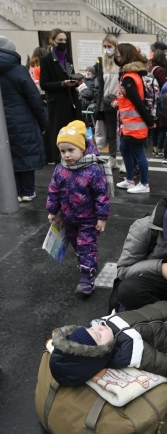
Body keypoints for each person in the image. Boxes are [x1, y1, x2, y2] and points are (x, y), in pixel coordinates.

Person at [49, 301, 167, 387]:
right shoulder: (125, 351)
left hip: (158, 311)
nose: (98, 329)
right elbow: (154, 360)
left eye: (91, 329)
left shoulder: (101, 326)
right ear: (99, 355)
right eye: (97, 337)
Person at [46, 120, 112, 295]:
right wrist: (52, 210)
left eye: (71, 150)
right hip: (68, 217)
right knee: (76, 243)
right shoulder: (60, 169)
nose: (67, 155)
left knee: (86, 245)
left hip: (88, 219)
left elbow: (101, 195)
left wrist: (102, 217)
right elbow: (53, 190)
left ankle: (87, 277)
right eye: (63, 151)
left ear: (82, 148)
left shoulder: (92, 169)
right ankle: (85, 260)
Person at [0, 36, 47, 202]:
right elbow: (34, 98)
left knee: (9, 154)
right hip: (23, 118)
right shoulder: (18, 69)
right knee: (26, 152)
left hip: (2, 121)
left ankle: (16, 192)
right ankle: (28, 191)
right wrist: (43, 122)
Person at [115, 43, 155, 194]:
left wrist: (149, 121)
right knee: (124, 148)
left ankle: (144, 184)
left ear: (125, 56)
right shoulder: (130, 75)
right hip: (130, 123)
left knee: (138, 152)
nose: (116, 57)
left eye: (118, 54)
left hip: (135, 123)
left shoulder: (129, 77)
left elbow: (138, 101)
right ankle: (130, 179)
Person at [40, 29, 82, 163]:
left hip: (71, 102)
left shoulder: (67, 57)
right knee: (60, 136)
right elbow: (44, 84)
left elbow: (71, 74)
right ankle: (60, 167)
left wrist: (76, 81)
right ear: (52, 41)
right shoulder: (46, 59)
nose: (63, 43)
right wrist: (62, 83)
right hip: (57, 104)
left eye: (65, 40)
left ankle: (75, 164)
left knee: (73, 136)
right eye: (60, 40)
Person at [93, 35, 120, 170]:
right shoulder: (101, 63)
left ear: (115, 47)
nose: (106, 49)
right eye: (104, 46)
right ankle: (112, 158)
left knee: (122, 134)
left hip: (119, 102)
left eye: (109, 46)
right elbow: (100, 85)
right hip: (106, 103)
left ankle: (126, 161)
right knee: (110, 134)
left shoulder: (120, 63)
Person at [148, 49, 167, 157]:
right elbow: (163, 85)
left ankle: (154, 148)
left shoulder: (149, 68)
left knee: (154, 126)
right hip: (159, 100)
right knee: (162, 126)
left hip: (151, 100)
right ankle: (160, 149)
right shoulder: (160, 70)